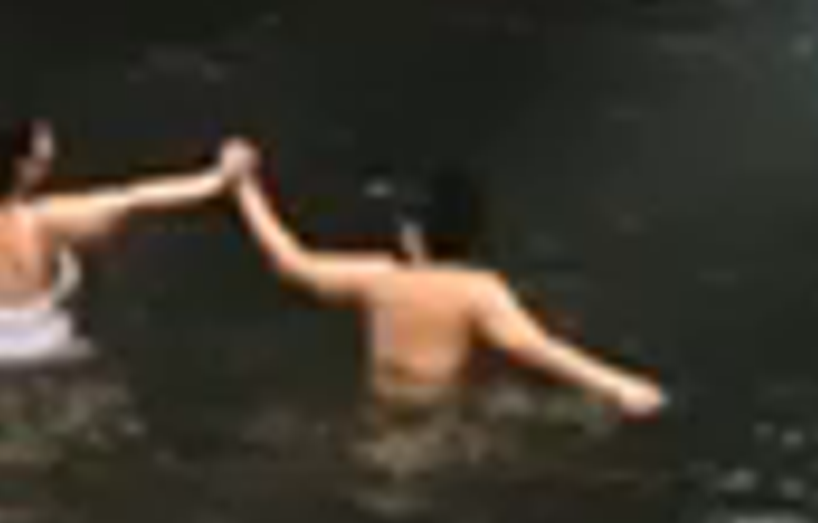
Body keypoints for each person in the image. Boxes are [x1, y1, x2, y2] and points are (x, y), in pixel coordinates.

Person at [225, 144, 663, 417]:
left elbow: (291, 261)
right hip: (437, 416)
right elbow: (535, 347)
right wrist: (619, 385)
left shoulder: (379, 278)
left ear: (412, 235)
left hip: (381, 406)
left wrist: (245, 186)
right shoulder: (478, 290)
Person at [0, 116, 247, 371]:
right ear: (24, 168)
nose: (49, 140)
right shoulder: (50, 220)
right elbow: (135, 198)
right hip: (47, 349)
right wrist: (219, 178)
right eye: (39, 140)